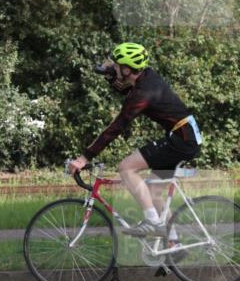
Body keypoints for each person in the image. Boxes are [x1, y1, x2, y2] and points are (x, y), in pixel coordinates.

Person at [67, 42, 202, 239]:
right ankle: (174, 246)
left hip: (181, 140)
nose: (113, 66)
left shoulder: (143, 93)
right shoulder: (146, 77)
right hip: (185, 137)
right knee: (152, 193)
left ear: (128, 69)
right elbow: (127, 90)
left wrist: (84, 157)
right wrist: (110, 74)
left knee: (126, 168)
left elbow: (116, 127)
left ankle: (153, 222)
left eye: (117, 64)